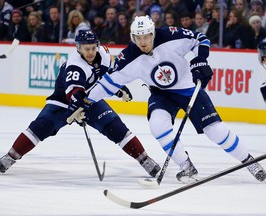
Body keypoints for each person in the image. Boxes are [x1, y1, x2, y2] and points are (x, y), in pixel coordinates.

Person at [71, 16, 266, 183]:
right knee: (157, 125)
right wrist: (86, 102)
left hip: (188, 88)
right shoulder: (128, 58)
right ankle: (186, 166)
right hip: (161, 95)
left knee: (215, 131)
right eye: (138, 37)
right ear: (133, 37)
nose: (143, 41)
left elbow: (201, 39)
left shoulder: (170, 36)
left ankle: (250, 162)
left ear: (153, 33)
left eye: (146, 36)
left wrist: (200, 60)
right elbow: (107, 84)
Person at [0, 29, 161, 178]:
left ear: (98, 45)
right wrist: (78, 110)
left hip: (90, 97)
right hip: (62, 101)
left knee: (115, 127)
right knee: (42, 126)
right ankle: (11, 156)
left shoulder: (103, 54)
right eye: (86, 48)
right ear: (78, 48)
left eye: (93, 48)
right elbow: (75, 95)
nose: (90, 52)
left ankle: (144, 159)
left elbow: (109, 74)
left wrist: (118, 88)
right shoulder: (75, 65)